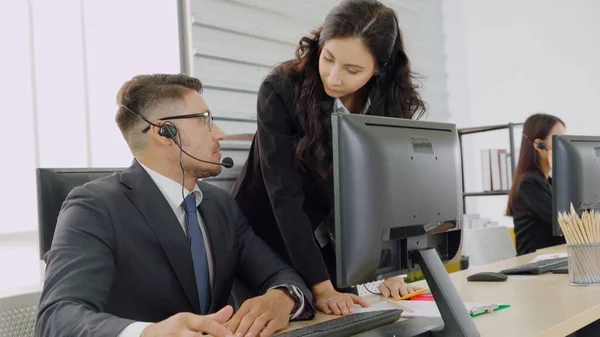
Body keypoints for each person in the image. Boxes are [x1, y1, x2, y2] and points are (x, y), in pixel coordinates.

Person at [35, 74, 315, 337]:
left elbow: (280, 273)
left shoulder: (220, 204)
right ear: (164, 132)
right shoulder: (94, 207)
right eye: (205, 120)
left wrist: (283, 297)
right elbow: (57, 318)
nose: (219, 133)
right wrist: (148, 333)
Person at [232, 0, 424, 316]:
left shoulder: (387, 103)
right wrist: (321, 287)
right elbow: (285, 196)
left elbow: (388, 188)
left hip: (324, 235)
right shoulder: (281, 89)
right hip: (266, 231)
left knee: (346, 317)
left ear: (380, 68)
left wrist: (392, 270)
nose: (334, 78)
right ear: (319, 44)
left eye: (352, 70)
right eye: (328, 58)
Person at [507, 113, 566, 256]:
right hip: (534, 263)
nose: (564, 145)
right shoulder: (529, 184)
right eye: (558, 139)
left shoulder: (549, 182)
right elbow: (563, 224)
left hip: (554, 258)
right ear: (539, 145)